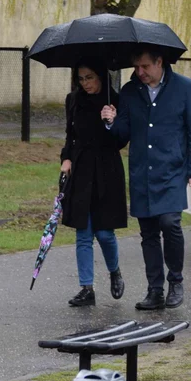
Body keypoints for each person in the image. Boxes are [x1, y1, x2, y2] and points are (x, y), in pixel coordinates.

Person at [101, 48, 191, 311]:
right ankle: (155, 289)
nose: (140, 72)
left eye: (145, 66)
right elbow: (122, 136)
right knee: (148, 232)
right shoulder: (129, 91)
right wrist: (111, 122)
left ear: (160, 62)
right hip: (142, 172)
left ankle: (176, 281)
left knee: (170, 223)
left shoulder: (184, 87)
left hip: (171, 170)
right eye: (136, 67)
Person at [59, 63, 126, 307]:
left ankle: (114, 271)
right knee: (83, 232)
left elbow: (121, 139)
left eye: (90, 77)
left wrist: (111, 122)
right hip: (81, 169)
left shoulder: (115, 100)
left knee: (105, 233)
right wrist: (66, 157)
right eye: (81, 78)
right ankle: (86, 287)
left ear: (101, 77)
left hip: (107, 171)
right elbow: (70, 135)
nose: (85, 83)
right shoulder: (73, 100)